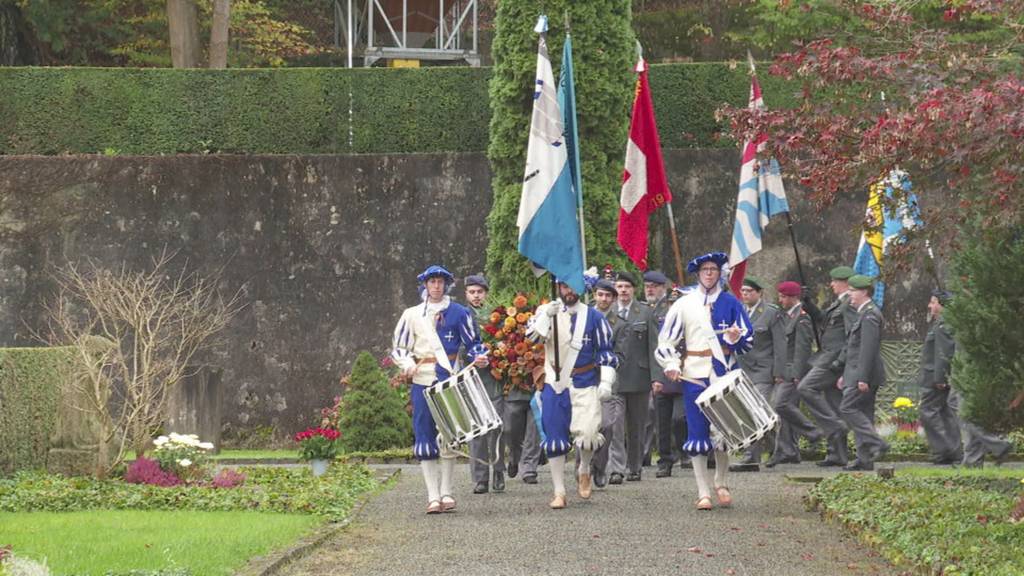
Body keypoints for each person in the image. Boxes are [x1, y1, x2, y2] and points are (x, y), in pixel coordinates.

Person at [656, 252, 753, 511]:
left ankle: (721, 482)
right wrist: (672, 364)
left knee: (724, 432)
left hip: (724, 372)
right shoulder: (684, 305)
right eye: (704, 270)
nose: (709, 273)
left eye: (713, 269)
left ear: (720, 273)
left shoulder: (731, 303)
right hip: (694, 375)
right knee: (697, 433)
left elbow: (748, 339)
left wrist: (734, 337)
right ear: (698, 274)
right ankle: (702, 491)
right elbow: (666, 341)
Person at [392, 265, 489, 514]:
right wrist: (407, 363)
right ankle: (432, 495)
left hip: (450, 379)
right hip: (423, 380)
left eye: (440, 282)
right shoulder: (412, 314)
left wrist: (479, 357)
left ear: (446, 285)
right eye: (432, 282)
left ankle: (446, 492)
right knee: (424, 435)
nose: (436, 286)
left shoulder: (459, 312)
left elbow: (474, 343)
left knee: (450, 435)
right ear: (425, 285)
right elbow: (400, 348)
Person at [527, 279, 618, 509]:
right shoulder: (546, 312)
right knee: (555, 438)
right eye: (565, 287)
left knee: (588, 436)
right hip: (555, 381)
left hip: (585, 382)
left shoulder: (594, 317)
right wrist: (546, 315)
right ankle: (559, 491)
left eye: (573, 286)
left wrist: (606, 381)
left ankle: (584, 468)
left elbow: (606, 351)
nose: (569, 291)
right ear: (559, 288)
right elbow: (533, 339)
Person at [797, 266, 858, 467]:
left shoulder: (850, 303)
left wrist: (841, 362)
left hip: (833, 359)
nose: (831, 284)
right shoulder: (839, 302)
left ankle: (834, 426)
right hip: (829, 357)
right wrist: (808, 303)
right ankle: (836, 455)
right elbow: (824, 319)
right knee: (834, 405)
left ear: (845, 283)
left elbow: (852, 335)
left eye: (834, 281)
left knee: (806, 387)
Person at [733, 276, 786, 469]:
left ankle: (751, 457)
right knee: (757, 413)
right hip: (743, 370)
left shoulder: (771, 313)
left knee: (755, 411)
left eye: (749, 292)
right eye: (743, 291)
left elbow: (780, 344)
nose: (745, 295)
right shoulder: (738, 311)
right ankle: (778, 448)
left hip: (763, 369)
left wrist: (779, 371)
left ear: (759, 293)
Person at [838, 274, 889, 471]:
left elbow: (868, 349)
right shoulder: (863, 313)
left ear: (864, 292)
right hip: (856, 372)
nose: (849, 294)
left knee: (847, 408)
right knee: (864, 415)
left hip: (863, 374)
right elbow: (854, 348)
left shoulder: (870, 315)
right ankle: (864, 459)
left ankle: (877, 443)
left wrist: (862, 377)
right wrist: (846, 374)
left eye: (852, 291)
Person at [769, 281, 822, 467]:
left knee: (780, 405)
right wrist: (779, 372)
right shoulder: (786, 316)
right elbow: (781, 347)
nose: (780, 300)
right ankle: (788, 451)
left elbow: (802, 349)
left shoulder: (802, 318)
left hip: (795, 372)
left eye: (783, 297)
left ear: (793, 297)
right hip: (785, 371)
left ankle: (812, 431)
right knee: (785, 413)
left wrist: (798, 374)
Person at [462, 274, 507, 494]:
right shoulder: (460, 315)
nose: (476, 295)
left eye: (480, 291)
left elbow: (508, 341)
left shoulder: (497, 316)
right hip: (471, 378)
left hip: (494, 379)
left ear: (486, 293)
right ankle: (480, 478)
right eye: (472, 291)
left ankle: (498, 470)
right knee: (476, 429)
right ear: (466, 294)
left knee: (496, 427)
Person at [609, 271, 654, 482]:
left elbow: (653, 345)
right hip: (614, 377)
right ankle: (617, 468)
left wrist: (656, 378)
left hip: (639, 376)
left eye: (627, 286)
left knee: (637, 425)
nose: (623, 291)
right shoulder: (607, 311)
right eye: (619, 287)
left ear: (633, 289)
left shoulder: (645, 312)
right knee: (615, 423)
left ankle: (635, 466)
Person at [645, 270, 688, 478]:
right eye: (670, 305)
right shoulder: (659, 323)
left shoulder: (689, 324)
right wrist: (655, 377)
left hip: (684, 376)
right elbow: (654, 349)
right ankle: (665, 460)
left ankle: (684, 450)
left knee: (680, 418)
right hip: (663, 375)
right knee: (662, 422)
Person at [918, 289, 963, 465]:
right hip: (936, 377)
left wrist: (940, 378)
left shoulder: (944, 325)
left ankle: (942, 450)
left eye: (933, 302)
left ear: (942, 305)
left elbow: (944, 353)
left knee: (927, 412)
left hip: (935, 378)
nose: (930, 305)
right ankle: (953, 452)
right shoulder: (942, 323)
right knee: (944, 414)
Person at [590, 279, 626, 487]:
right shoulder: (583, 317)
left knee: (608, 425)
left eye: (608, 296)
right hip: (583, 378)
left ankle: (601, 466)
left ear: (613, 299)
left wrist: (603, 364)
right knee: (583, 426)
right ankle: (583, 468)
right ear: (595, 295)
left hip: (608, 380)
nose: (603, 299)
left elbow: (621, 355)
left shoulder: (619, 323)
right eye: (600, 294)